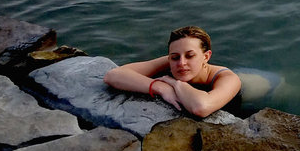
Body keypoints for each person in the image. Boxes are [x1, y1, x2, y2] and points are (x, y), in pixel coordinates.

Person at [103, 26, 241, 117]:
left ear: (206, 56)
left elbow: (201, 107)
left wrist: (176, 83)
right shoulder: (171, 62)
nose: (181, 63)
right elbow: (113, 75)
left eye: (190, 55)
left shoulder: (227, 77)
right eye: (175, 57)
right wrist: (161, 87)